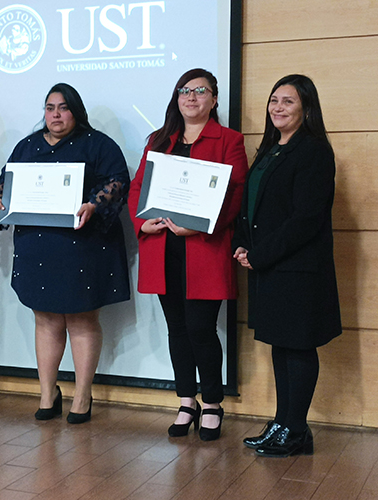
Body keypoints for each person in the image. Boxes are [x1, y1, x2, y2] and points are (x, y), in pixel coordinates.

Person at [0, 83, 130, 424]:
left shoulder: (98, 144)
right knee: (46, 318)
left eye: (63, 108)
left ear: (76, 111)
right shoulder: (27, 145)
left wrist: (93, 205)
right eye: (50, 107)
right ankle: (47, 392)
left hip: (82, 246)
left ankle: (82, 394)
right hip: (37, 246)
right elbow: (4, 181)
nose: (55, 114)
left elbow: (118, 182)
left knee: (81, 318)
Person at [128, 69, 248, 440]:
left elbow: (236, 195)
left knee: (201, 329)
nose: (191, 97)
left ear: (214, 100)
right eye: (184, 91)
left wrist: (201, 226)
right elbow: (138, 189)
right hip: (164, 249)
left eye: (200, 91)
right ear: (176, 98)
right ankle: (186, 400)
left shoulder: (229, 140)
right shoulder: (159, 139)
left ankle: (211, 401)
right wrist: (141, 222)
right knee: (177, 329)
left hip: (204, 250)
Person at [234, 74, 341, 457]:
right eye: (274, 100)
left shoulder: (313, 151)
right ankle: (284, 423)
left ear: (306, 108)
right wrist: (243, 244)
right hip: (271, 268)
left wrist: (260, 254)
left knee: (297, 347)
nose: (278, 108)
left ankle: (295, 430)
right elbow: (253, 208)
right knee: (281, 346)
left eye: (288, 102)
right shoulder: (269, 149)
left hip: (297, 269)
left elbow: (306, 219)